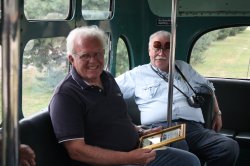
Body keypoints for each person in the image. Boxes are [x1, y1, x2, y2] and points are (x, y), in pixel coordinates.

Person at [49, 26, 201, 166]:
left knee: (177, 140)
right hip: (118, 160)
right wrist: (130, 158)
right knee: (189, 162)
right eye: (85, 56)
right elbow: (77, 151)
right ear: (71, 59)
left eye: (98, 54)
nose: (93, 61)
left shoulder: (107, 78)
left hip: (138, 144)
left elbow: (117, 118)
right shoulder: (66, 96)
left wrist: (139, 130)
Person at [115, 30, 240, 166]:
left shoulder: (184, 68)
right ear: (149, 50)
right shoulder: (137, 74)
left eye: (167, 47)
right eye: (157, 47)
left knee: (229, 147)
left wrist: (217, 113)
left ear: (173, 50)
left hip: (193, 129)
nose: (161, 53)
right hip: (157, 130)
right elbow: (110, 89)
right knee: (182, 151)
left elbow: (208, 88)